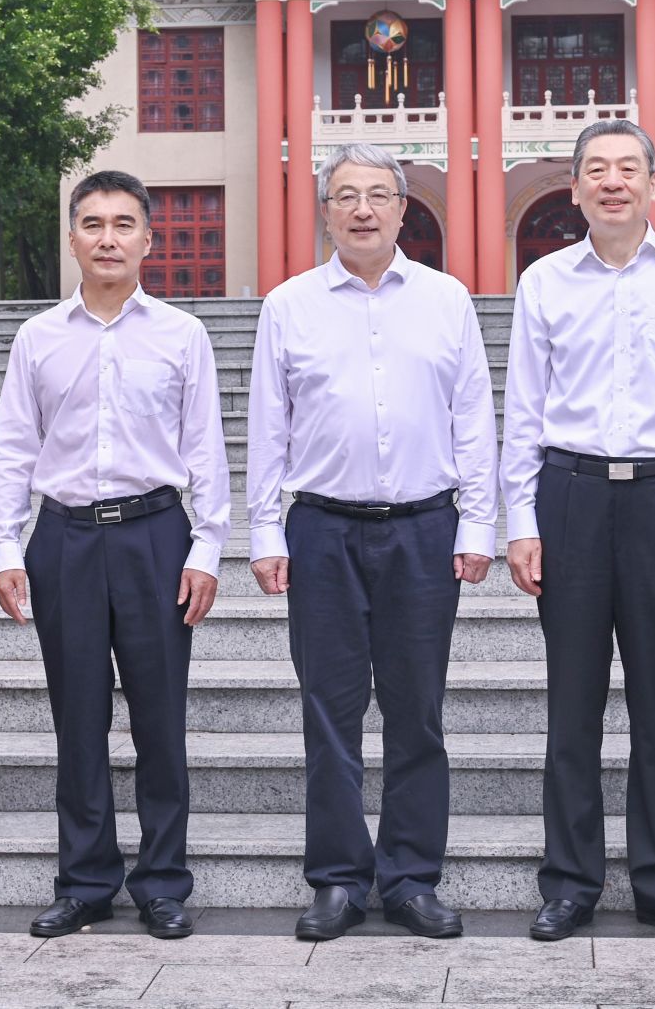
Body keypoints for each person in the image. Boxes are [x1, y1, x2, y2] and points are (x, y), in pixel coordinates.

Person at [246, 144, 498, 942]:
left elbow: (473, 415)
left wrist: (479, 521)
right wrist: (264, 528)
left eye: (379, 195)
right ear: (325, 210)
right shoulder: (289, 304)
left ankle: (412, 877)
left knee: (417, 709)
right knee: (330, 709)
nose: (363, 209)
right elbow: (268, 423)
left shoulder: (446, 299)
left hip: (424, 528)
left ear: (402, 208)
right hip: (322, 530)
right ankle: (338, 878)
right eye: (346, 195)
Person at [501, 119, 655, 943]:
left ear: (653, 183)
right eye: (597, 169)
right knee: (571, 702)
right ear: (574, 188)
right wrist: (521, 519)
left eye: (629, 168)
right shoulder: (543, 281)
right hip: (569, 495)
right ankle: (570, 881)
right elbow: (523, 409)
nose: (613, 181)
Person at [0, 170, 229, 941]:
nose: (108, 238)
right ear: (72, 239)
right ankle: (86, 880)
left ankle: (162, 881)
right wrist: (4, 543)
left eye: (124, 224)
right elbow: (13, 446)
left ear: (148, 239)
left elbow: (205, 447)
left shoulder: (181, 335)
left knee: (160, 718)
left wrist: (208, 546)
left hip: (155, 535)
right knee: (78, 716)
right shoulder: (39, 337)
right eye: (92, 224)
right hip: (63, 538)